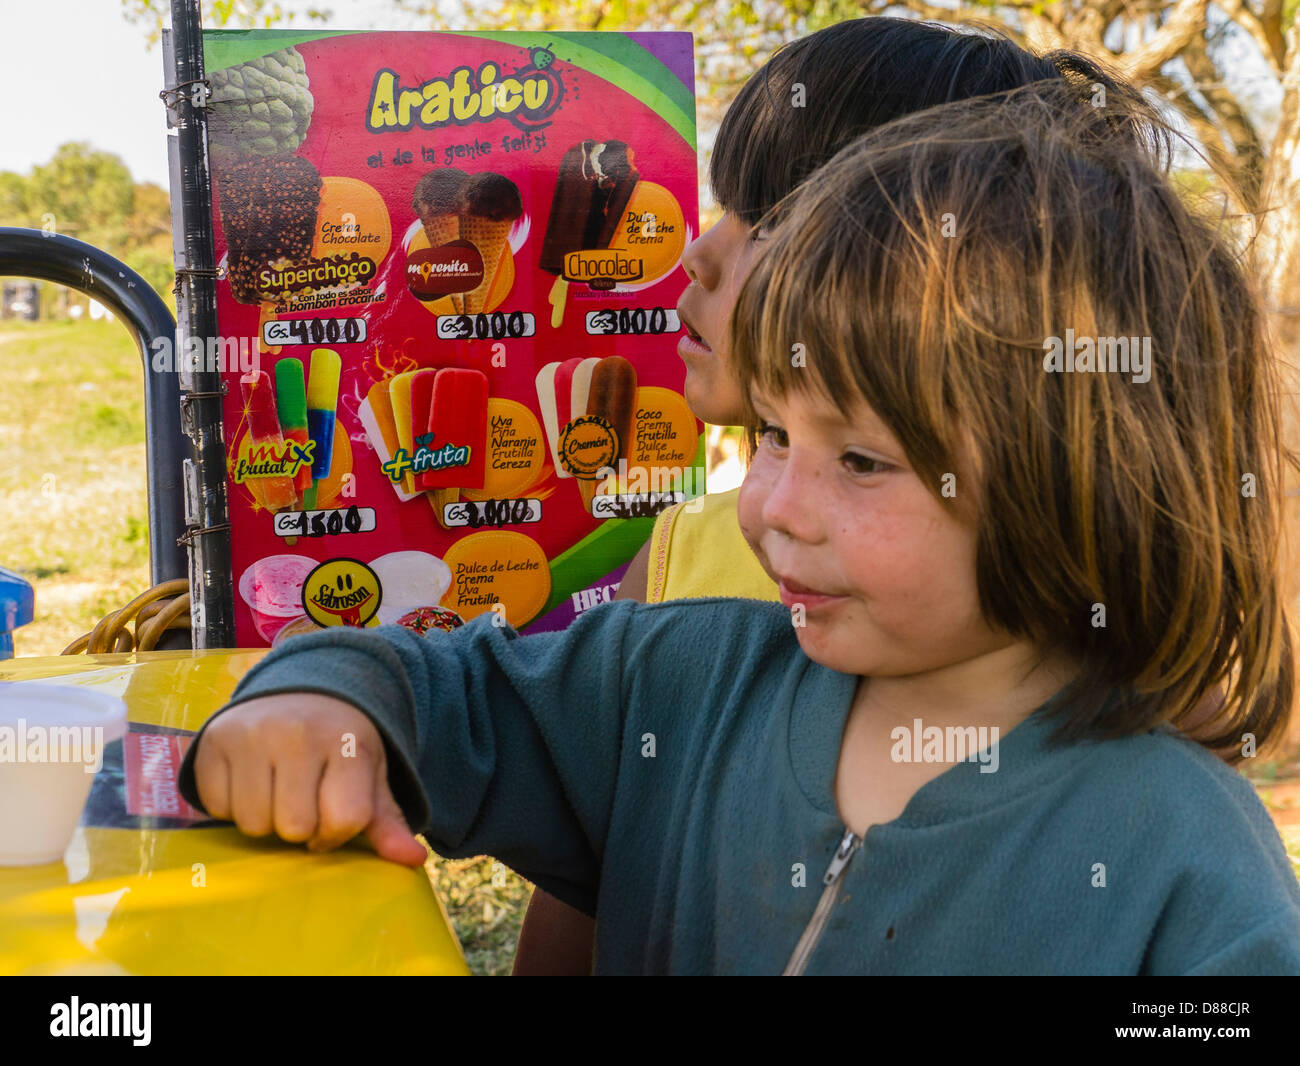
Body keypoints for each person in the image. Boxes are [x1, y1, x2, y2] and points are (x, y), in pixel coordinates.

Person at [177, 84, 1300, 974]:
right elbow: (431, 686)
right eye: (769, 433)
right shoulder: (670, 683)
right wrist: (319, 701)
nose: (771, 509)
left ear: (1082, 481)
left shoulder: (1182, 856)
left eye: (859, 461)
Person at [515, 16, 1160, 974]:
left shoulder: (1086, 661)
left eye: (769, 221)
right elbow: (578, 915)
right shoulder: (678, 559)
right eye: (777, 443)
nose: (697, 253)